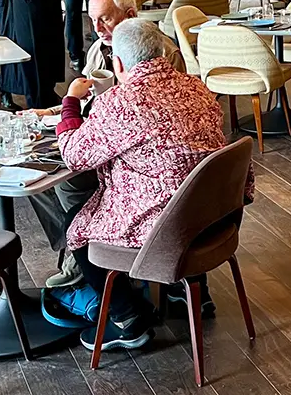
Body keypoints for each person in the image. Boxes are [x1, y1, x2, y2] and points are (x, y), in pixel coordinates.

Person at [44, 18, 250, 350]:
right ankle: (194, 295)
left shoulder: (122, 102)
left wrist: (70, 102)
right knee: (181, 186)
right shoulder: (197, 87)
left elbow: (74, 156)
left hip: (164, 231)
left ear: (119, 62)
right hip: (215, 220)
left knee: (77, 226)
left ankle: (127, 319)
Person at [24, 0, 183, 288]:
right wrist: (49, 113)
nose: (96, 28)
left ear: (131, 14)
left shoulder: (164, 54)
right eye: (92, 19)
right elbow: (87, 100)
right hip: (106, 138)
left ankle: (87, 258)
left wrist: (77, 107)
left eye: (105, 19)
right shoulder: (100, 49)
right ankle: (80, 252)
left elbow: (164, 117)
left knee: (67, 179)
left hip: (140, 165)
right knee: (34, 172)